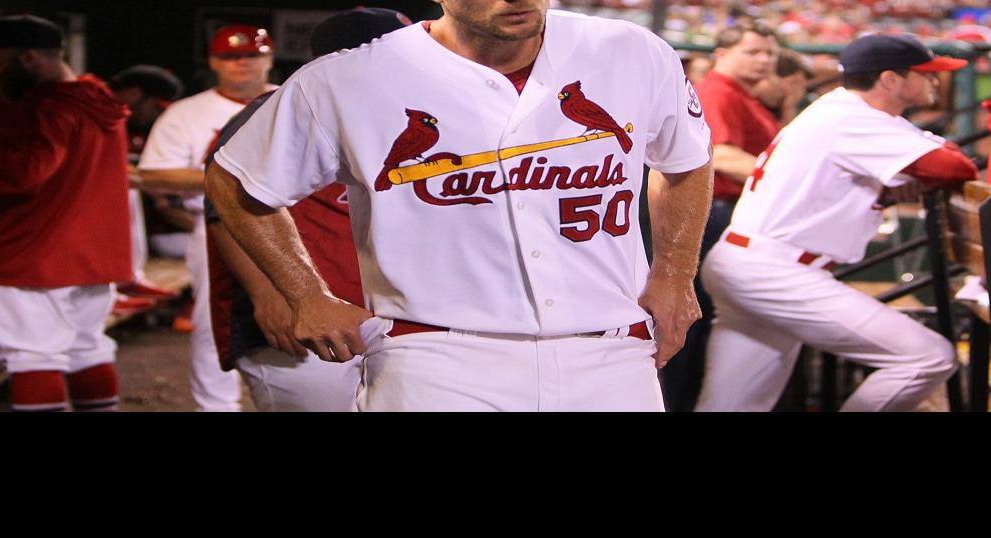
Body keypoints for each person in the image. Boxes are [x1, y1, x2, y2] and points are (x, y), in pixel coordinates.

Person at [205, 0, 713, 412]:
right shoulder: (349, 78)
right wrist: (305, 294)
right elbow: (234, 181)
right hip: (437, 355)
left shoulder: (630, 52)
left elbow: (687, 161)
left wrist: (674, 275)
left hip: (609, 347)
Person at [696, 34, 980, 412]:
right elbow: (953, 166)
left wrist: (884, 190)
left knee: (731, 406)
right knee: (928, 357)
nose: (934, 82)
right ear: (890, 80)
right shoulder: (854, 117)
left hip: (750, 262)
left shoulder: (839, 110)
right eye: (925, 74)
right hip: (774, 270)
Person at [205, 7, 411, 412]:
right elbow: (225, 209)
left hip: (386, 314)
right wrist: (273, 295)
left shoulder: (411, 113)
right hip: (305, 316)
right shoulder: (275, 111)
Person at [0, 15, 131, 411]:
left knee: (32, 358)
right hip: (89, 257)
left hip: (33, 254)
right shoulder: (96, 96)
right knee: (85, 350)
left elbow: (28, 172)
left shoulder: (51, 106)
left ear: (26, 57)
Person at [138, 25, 276, 412]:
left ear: (268, 58)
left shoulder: (294, 100)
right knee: (215, 319)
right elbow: (153, 174)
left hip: (300, 227)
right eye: (230, 57)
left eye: (250, 55)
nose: (241, 64)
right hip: (217, 226)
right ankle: (215, 406)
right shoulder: (188, 112)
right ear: (214, 62)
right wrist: (235, 178)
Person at [661, 20, 780, 412]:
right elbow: (722, 155)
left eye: (769, 53)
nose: (764, 60)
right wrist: (785, 178)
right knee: (694, 322)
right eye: (753, 52)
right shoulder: (719, 90)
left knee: (706, 322)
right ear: (723, 55)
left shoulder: (741, 93)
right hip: (712, 212)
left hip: (725, 212)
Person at [108, 65, 184, 309]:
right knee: (119, 193)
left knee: (129, 190)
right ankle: (110, 286)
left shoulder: (129, 123)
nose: (153, 114)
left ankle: (126, 278)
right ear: (133, 94)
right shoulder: (100, 110)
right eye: (153, 105)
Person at [752, 48, 815, 126]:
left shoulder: (776, 108)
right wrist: (788, 109)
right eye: (796, 84)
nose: (802, 91)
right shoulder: (749, 104)